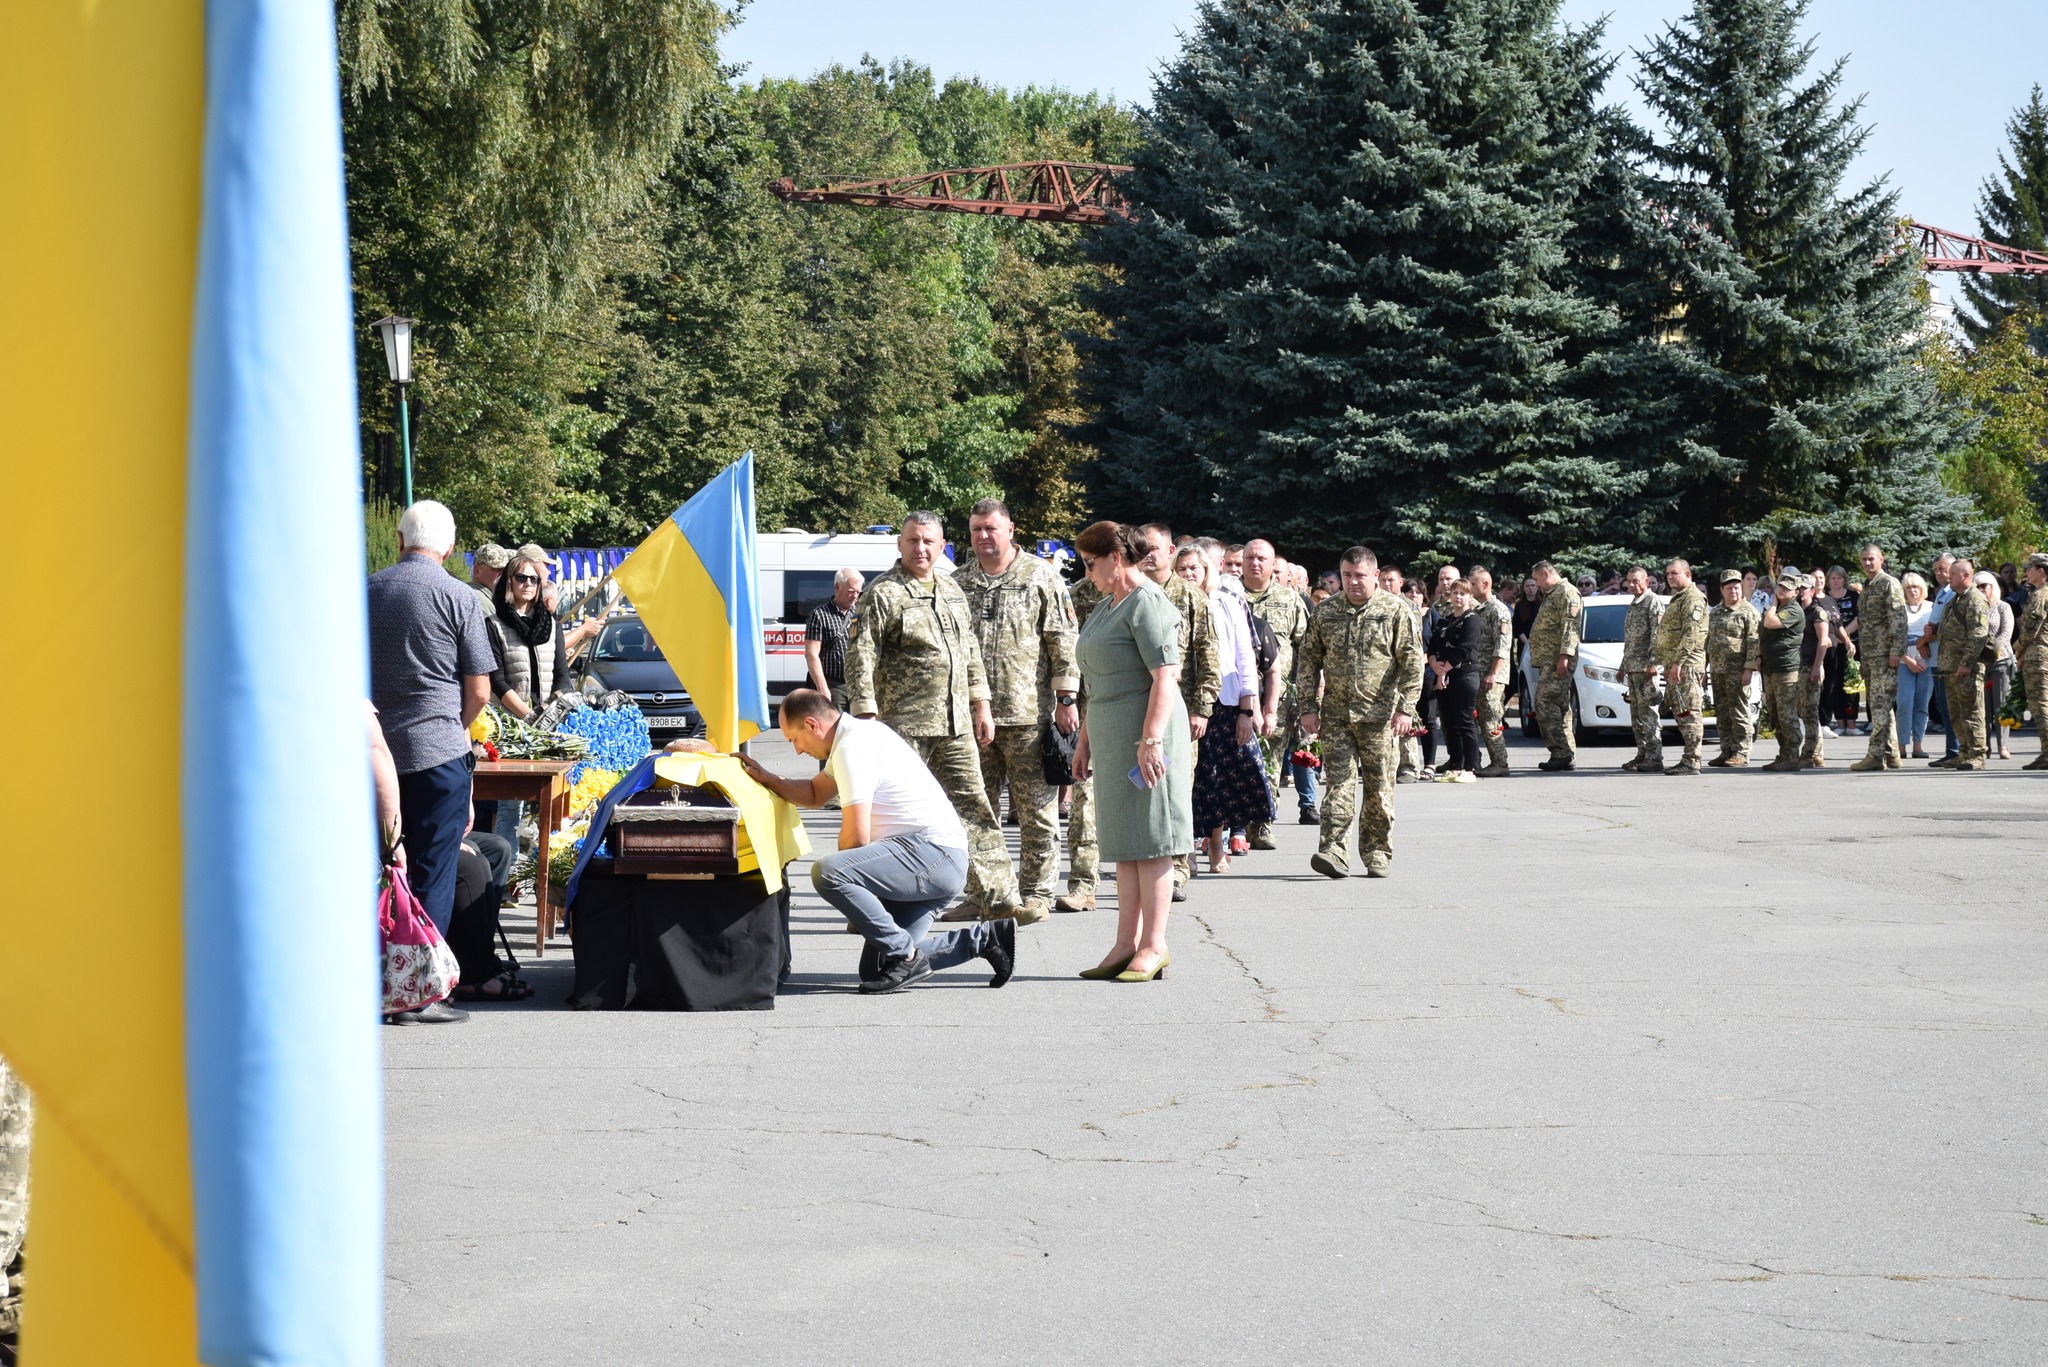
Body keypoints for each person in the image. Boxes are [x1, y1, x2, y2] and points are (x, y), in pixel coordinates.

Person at [743, 690, 1015, 994]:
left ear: (811, 724)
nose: (796, 751)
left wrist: (851, 884)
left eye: (794, 739)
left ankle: (906, 953)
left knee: (829, 872)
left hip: (933, 856)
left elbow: (856, 836)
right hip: (930, 861)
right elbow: (814, 792)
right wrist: (768, 778)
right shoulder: (854, 736)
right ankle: (985, 940)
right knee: (877, 969)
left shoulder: (852, 747)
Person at [843, 513, 1025, 922]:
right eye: (912, 541)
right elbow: (861, 656)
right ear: (900, 545)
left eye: (928, 541)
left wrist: (982, 704)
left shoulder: (953, 590)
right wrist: (866, 718)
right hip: (901, 729)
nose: (920, 548)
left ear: (943, 545)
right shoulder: (882, 593)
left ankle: (998, 897)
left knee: (976, 808)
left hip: (954, 725)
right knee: (889, 821)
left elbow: (970, 653)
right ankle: (870, 910)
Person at [1070, 521, 1193, 983]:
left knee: (1153, 838)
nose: (1087, 572)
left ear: (1115, 559)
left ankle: (1154, 944)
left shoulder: (1149, 604)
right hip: (1111, 732)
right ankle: (1124, 944)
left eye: (1090, 562)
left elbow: (1166, 676)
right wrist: (1084, 742)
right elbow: (1097, 684)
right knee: (1125, 843)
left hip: (1146, 736)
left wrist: (1151, 741)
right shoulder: (1107, 606)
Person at [368, 501, 494, 951]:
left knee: (374, 868)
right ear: (450, 548)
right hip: (437, 756)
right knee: (433, 873)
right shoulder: (461, 597)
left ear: (400, 541)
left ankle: (375, 975)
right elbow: (480, 690)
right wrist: (452, 727)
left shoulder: (365, 591)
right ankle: (421, 988)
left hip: (371, 750)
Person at [955, 499, 1080, 921]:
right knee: (974, 813)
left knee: (1037, 813)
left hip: (1029, 715)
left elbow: (1063, 640)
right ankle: (981, 894)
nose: (983, 537)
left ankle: (1037, 894)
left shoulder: (1040, 577)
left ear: (1010, 529)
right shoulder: (959, 582)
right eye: (976, 530)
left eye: (991, 528)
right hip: (974, 718)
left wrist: (1066, 699)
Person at [1296, 547, 1423, 879]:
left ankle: (1377, 852)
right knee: (1338, 784)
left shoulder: (1397, 610)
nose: (1353, 583)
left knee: (1379, 788)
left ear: (1375, 576)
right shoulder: (1326, 612)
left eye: (1360, 576)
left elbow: (1412, 664)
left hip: (1380, 718)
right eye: (1347, 576)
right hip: (1337, 715)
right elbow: (1308, 661)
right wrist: (1308, 707)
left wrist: (1406, 709)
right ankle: (1334, 852)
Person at [1137, 524, 1222, 902]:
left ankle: (1178, 869)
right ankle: (1144, 863)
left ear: (1171, 550)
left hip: (1181, 712)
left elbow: (1208, 655)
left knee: (1176, 791)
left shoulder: (1190, 598)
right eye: (1142, 548)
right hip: (1136, 708)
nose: (1148, 554)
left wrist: (1202, 709)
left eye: (1154, 548)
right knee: (1140, 789)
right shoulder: (1131, 594)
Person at [1178, 545, 1272, 873]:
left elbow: (1245, 659)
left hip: (1224, 704)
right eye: (1182, 568)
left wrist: (1248, 710)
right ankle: (1184, 848)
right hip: (1180, 703)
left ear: (1207, 570)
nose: (1188, 574)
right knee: (1185, 780)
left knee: (1215, 779)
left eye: (1194, 568)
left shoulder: (1226, 603)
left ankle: (1217, 843)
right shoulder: (1167, 602)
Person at [1242, 538, 1318, 833]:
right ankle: (1235, 826)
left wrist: (1310, 693)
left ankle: (1262, 823)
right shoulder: (1228, 597)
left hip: (1280, 695)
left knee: (1271, 759)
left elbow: (1307, 649)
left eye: (1262, 558)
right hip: (1236, 695)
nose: (1255, 563)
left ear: (1274, 564)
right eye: (1250, 557)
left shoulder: (1289, 600)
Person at [1929, 557, 1992, 769]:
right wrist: (1936, 631)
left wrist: (1966, 663)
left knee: (1971, 712)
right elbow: (1955, 630)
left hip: (1967, 668)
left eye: (1953, 574)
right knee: (1956, 714)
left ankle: (1977, 755)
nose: (1949, 577)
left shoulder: (1974, 599)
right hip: (1950, 667)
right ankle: (1963, 752)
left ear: (1965, 576)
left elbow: (1978, 634)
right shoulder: (1955, 599)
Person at [1851, 545, 1908, 771]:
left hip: (1885, 655)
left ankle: (1875, 756)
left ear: (1881, 559)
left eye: (1871, 559)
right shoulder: (1868, 586)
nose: (1867, 563)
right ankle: (1892, 753)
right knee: (1881, 706)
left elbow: (1899, 620)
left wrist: (1896, 651)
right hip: (1872, 656)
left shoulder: (1888, 584)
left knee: (1879, 706)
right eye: (1864, 559)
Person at [1428, 579, 1487, 781]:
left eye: (1463, 593)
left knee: (1465, 723)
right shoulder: (1444, 621)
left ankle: (1471, 768)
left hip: (1465, 676)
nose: (1458, 597)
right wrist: (1435, 665)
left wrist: (1443, 671)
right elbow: (1433, 647)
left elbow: (1465, 648)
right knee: (1449, 723)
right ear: (1449, 596)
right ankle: (1455, 766)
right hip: (1445, 676)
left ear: (1470, 596)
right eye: (1455, 593)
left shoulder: (1472, 619)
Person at [1527, 561, 1583, 772]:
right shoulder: (1554, 593)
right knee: (1560, 707)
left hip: (1557, 660)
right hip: (1550, 660)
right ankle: (1568, 754)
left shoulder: (1567, 593)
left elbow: (1571, 627)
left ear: (1546, 573)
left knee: (1544, 701)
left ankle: (1560, 752)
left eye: (1538, 580)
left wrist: (1564, 656)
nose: (1538, 585)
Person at [1655, 559, 1710, 774]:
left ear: (1688, 574)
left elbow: (1691, 633)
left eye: (1675, 573)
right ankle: (1689, 758)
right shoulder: (1679, 598)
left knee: (1689, 712)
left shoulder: (1693, 598)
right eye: (1668, 573)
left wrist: (1678, 662)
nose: (1670, 577)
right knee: (1681, 712)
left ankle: (1692, 760)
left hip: (1686, 664)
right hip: (1675, 664)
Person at [1706, 569, 1761, 767]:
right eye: (1729, 588)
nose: (1734, 591)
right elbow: (1708, 641)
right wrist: (1705, 669)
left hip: (1738, 671)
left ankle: (1741, 752)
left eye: (1737, 587)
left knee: (1739, 712)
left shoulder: (1748, 612)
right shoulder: (1716, 612)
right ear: (1722, 590)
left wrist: (1748, 669)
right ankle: (1726, 750)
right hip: (1718, 670)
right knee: (1722, 712)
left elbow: (1754, 643)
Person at [1468, 566, 1516, 777]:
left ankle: (1500, 763)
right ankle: (1480, 760)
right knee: (1481, 719)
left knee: (1491, 718)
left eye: (1472, 584)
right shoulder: (1479, 609)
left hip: (1492, 676)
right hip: (1479, 674)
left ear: (1485, 585)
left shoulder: (1498, 610)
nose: (1469, 588)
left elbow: (1502, 645)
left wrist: (1493, 673)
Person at [1757, 571, 1806, 771]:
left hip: (1786, 669)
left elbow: (1770, 622)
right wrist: (1759, 656)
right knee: (1775, 715)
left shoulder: (1793, 610)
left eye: (1786, 588)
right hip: (1770, 667)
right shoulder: (1775, 609)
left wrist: (1774, 603)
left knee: (1787, 715)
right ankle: (1784, 754)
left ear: (1795, 592)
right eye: (1780, 586)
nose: (1781, 589)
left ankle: (1792, 757)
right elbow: (1762, 633)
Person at [1619, 566, 1665, 773]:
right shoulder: (1634, 603)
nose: (1631, 584)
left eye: (1636, 581)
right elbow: (1631, 641)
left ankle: (1655, 757)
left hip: (1647, 669)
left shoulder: (1652, 601)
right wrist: (1623, 666)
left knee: (1648, 714)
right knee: (1637, 715)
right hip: (1633, 668)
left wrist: (1654, 662)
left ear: (1647, 581)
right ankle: (1643, 753)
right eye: (1629, 581)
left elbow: (1657, 634)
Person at [804, 568, 862, 708]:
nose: (855, 596)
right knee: (835, 728)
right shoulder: (819, 615)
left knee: (858, 729)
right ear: (837, 588)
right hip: (833, 685)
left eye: (858, 592)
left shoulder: (859, 612)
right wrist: (822, 688)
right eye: (851, 591)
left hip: (858, 683)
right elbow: (811, 654)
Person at [1795, 572, 1836, 767]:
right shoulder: (1794, 609)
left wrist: (1818, 666)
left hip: (1812, 665)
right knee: (1802, 711)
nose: (1800, 591)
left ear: (1812, 590)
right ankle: (1815, 753)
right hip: (1796, 666)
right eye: (1798, 587)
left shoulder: (1817, 612)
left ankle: (1811, 753)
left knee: (1810, 711)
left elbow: (1823, 641)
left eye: (1804, 588)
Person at [1895, 572, 1937, 759]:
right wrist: (1908, 660)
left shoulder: (1931, 607)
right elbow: (1893, 637)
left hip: (1926, 659)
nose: (1912, 590)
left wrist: (1923, 659)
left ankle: (1918, 745)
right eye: (1908, 587)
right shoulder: (1898, 609)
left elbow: (1936, 633)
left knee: (1922, 704)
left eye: (1916, 587)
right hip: (1905, 660)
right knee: (1904, 703)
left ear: (1922, 589)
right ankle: (1902, 744)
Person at [1979, 569, 2016, 759]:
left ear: (1992, 587)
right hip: (1979, 663)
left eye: (1984, 585)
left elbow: (2005, 634)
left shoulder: (2003, 607)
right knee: (1982, 708)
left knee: (2001, 705)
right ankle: (1985, 746)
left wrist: (1992, 652)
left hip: (2000, 662)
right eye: (1977, 586)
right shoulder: (1975, 608)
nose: (1981, 589)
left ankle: (2003, 746)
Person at [1923, 553, 1958, 752]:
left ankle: (1956, 750)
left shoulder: (1955, 593)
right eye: (1935, 569)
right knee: (1942, 706)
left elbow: (1952, 625)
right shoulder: (1942, 592)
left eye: (1942, 569)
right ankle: (1951, 751)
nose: (1938, 573)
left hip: (1949, 657)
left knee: (1950, 706)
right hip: (1937, 657)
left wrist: (1932, 632)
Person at [2020, 554, 2048, 770]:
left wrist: (2017, 648)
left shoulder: (2040, 595)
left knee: (2041, 705)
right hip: (2040, 653)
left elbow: (2031, 627)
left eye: (2029, 567)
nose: (2026, 571)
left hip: (2039, 655)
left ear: (2040, 571)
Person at [1822, 565, 1858, 732]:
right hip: (1831, 646)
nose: (1836, 581)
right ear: (1828, 581)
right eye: (1833, 578)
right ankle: (1840, 721)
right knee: (1833, 683)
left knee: (1852, 682)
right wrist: (1836, 636)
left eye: (1839, 578)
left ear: (1844, 579)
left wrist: (1844, 635)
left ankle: (1851, 721)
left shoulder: (1853, 596)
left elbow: (1859, 618)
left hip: (1851, 645)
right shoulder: (1824, 598)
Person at [470, 542, 510, 609]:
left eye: (505, 570)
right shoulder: (481, 603)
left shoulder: (490, 598)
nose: (503, 574)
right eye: (497, 570)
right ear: (477, 571)